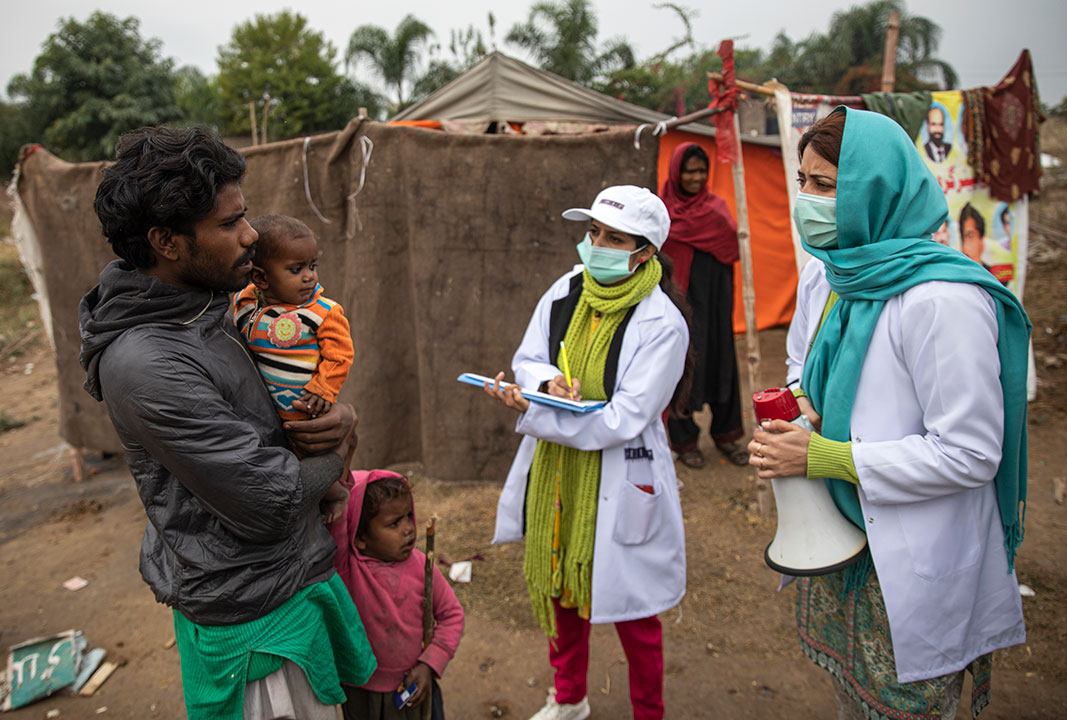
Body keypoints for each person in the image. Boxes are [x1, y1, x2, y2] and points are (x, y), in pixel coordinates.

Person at [78, 126, 376, 719]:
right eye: (229, 223)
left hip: (287, 578)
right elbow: (270, 495)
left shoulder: (212, 305)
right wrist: (338, 450)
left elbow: (275, 415)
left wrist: (338, 414)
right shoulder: (148, 363)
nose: (251, 236)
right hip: (251, 616)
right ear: (165, 240)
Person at [750, 108, 1029, 719]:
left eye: (826, 186)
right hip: (845, 536)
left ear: (876, 190)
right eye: (802, 181)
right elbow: (805, 363)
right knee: (853, 700)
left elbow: (970, 452)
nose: (807, 200)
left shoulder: (942, 301)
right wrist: (802, 406)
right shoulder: (832, 276)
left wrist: (827, 455)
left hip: (907, 552)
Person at [485, 185, 691, 720]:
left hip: (621, 471)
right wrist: (546, 383)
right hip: (559, 471)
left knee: (635, 609)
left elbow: (625, 418)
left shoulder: (662, 324)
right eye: (593, 232)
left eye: (613, 238)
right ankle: (569, 697)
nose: (595, 244)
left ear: (644, 252)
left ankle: (649, 711)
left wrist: (537, 414)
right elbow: (530, 355)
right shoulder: (567, 289)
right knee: (560, 580)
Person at [330, 469, 465, 720]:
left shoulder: (422, 567)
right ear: (360, 538)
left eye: (409, 516)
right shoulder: (347, 570)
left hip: (415, 685)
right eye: (394, 523)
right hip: (360, 692)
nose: (408, 529)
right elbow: (336, 521)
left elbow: (452, 615)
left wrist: (429, 663)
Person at [659, 142, 747, 468]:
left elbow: (730, 248)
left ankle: (728, 434)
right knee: (681, 363)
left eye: (701, 171)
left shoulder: (716, 208)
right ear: (676, 172)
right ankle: (684, 440)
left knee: (721, 360)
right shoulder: (664, 212)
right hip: (680, 302)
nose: (696, 177)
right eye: (689, 170)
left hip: (715, 300)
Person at [233, 214, 354, 422]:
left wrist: (322, 389)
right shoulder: (246, 301)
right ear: (261, 277)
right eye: (297, 269)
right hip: (260, 415)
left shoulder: (323, 312)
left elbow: (340, 356)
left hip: (304, 413)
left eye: (312, 266)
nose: (309, 276)